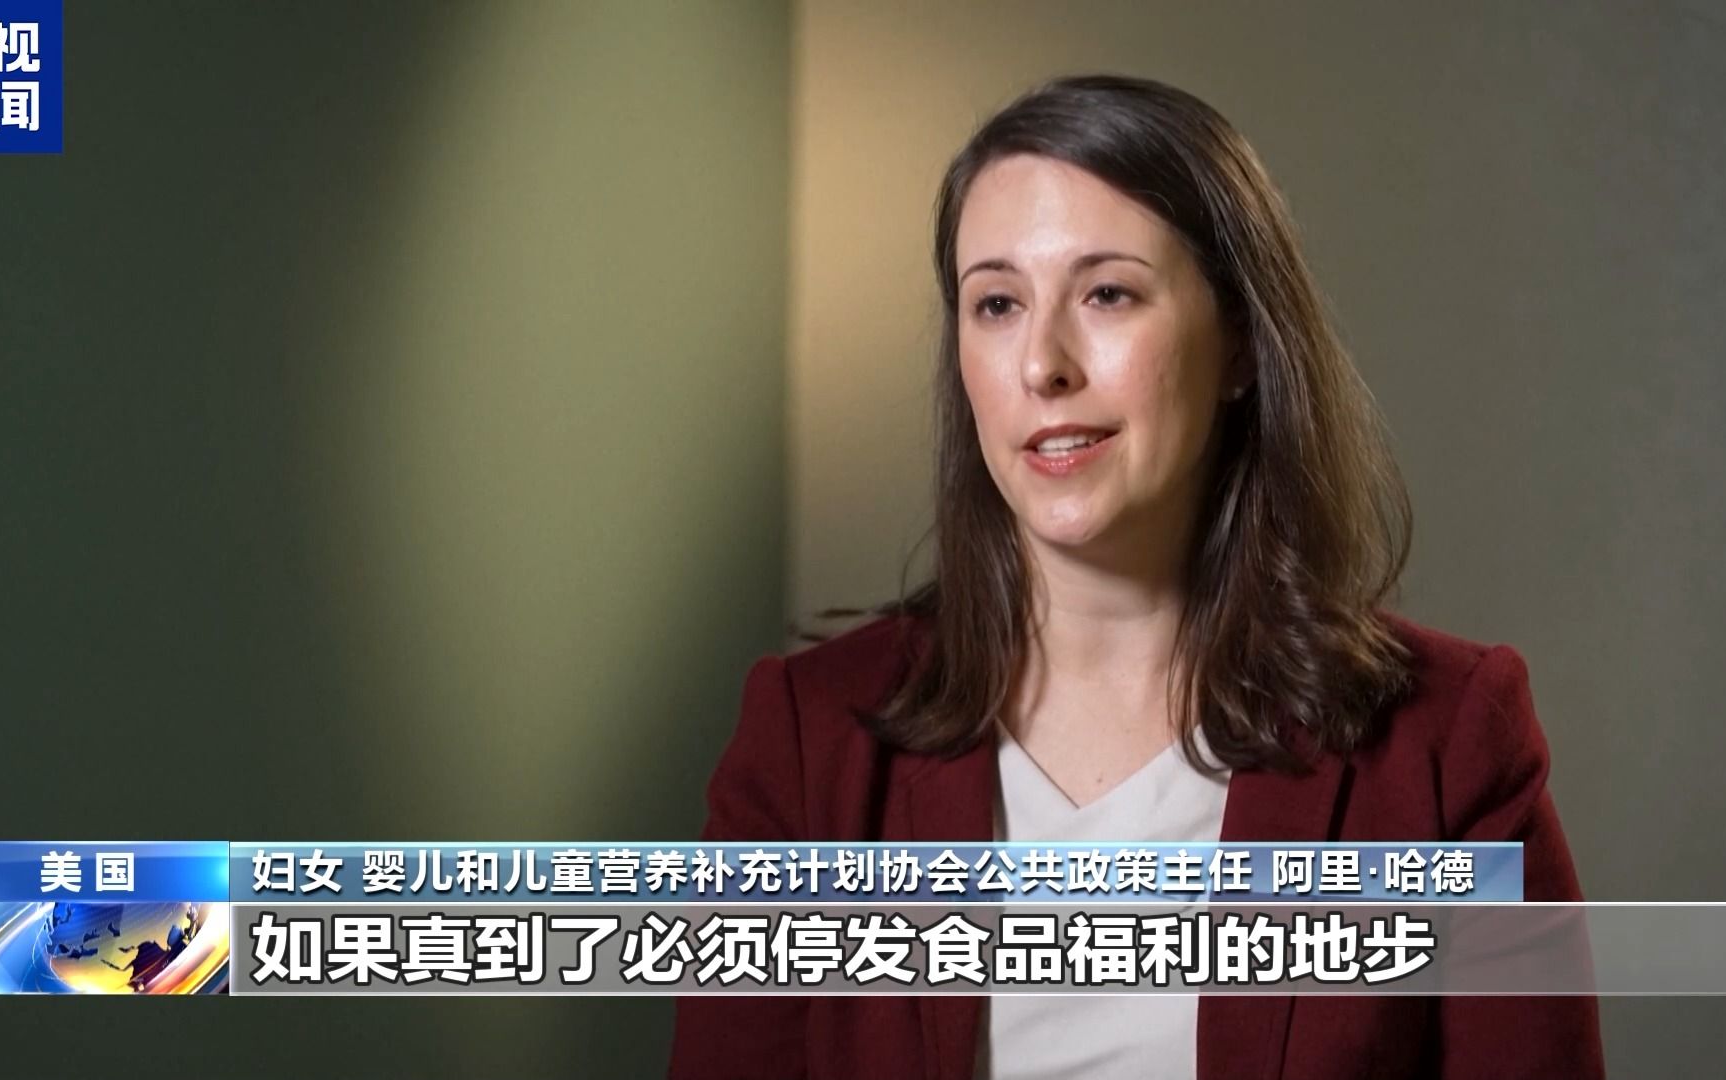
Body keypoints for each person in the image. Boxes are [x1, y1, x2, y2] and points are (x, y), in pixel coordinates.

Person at [668, 74, 1604, 1080]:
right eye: (996, 304)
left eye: (1107, 293)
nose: (1043, 364)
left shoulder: (1447, 743)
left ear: (1239, 342)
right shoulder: (809, 741)